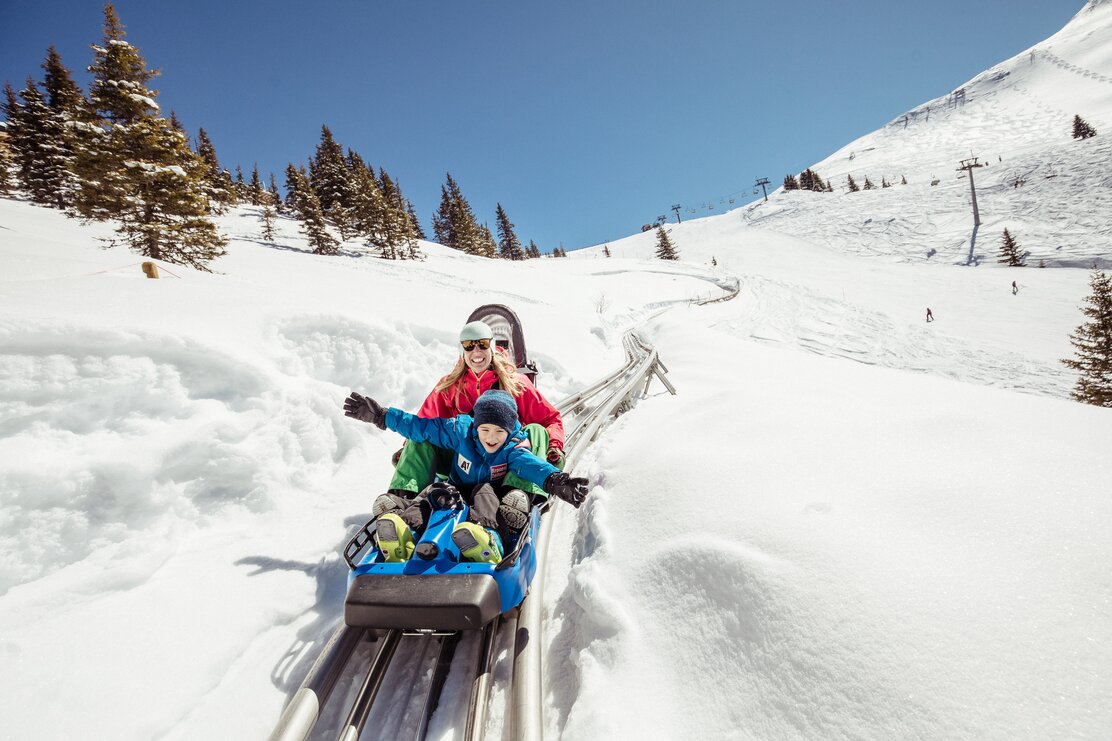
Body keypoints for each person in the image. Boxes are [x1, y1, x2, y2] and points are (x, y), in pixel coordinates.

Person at [343, 389, 589, 564]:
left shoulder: (513, 447)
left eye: (498, 432)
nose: (491, 438)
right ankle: (404, 533)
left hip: (490, 495)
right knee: (430, 496)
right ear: (475, 427)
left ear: (510, 430)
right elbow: (421, 427)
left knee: (484, 493)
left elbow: (531, 464)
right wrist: (382, 416)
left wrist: (558, 481)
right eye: (485, 430)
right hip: (456, 489)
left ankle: (489, 540)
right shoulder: (459, 431)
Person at [385, 320, 565, 513]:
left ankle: (519, 495)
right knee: (420, 435)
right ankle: (403, 497)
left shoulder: (516, 384)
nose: (476, 351)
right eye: (469, 346)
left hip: (505, 465)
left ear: (493, 346)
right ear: (462, 350)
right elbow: (424, 423)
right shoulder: (449, 386)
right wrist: (407, 450)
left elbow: (550, 420)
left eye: (482, 344)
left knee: (537, 430)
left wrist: (554, 446)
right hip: (462, 465)